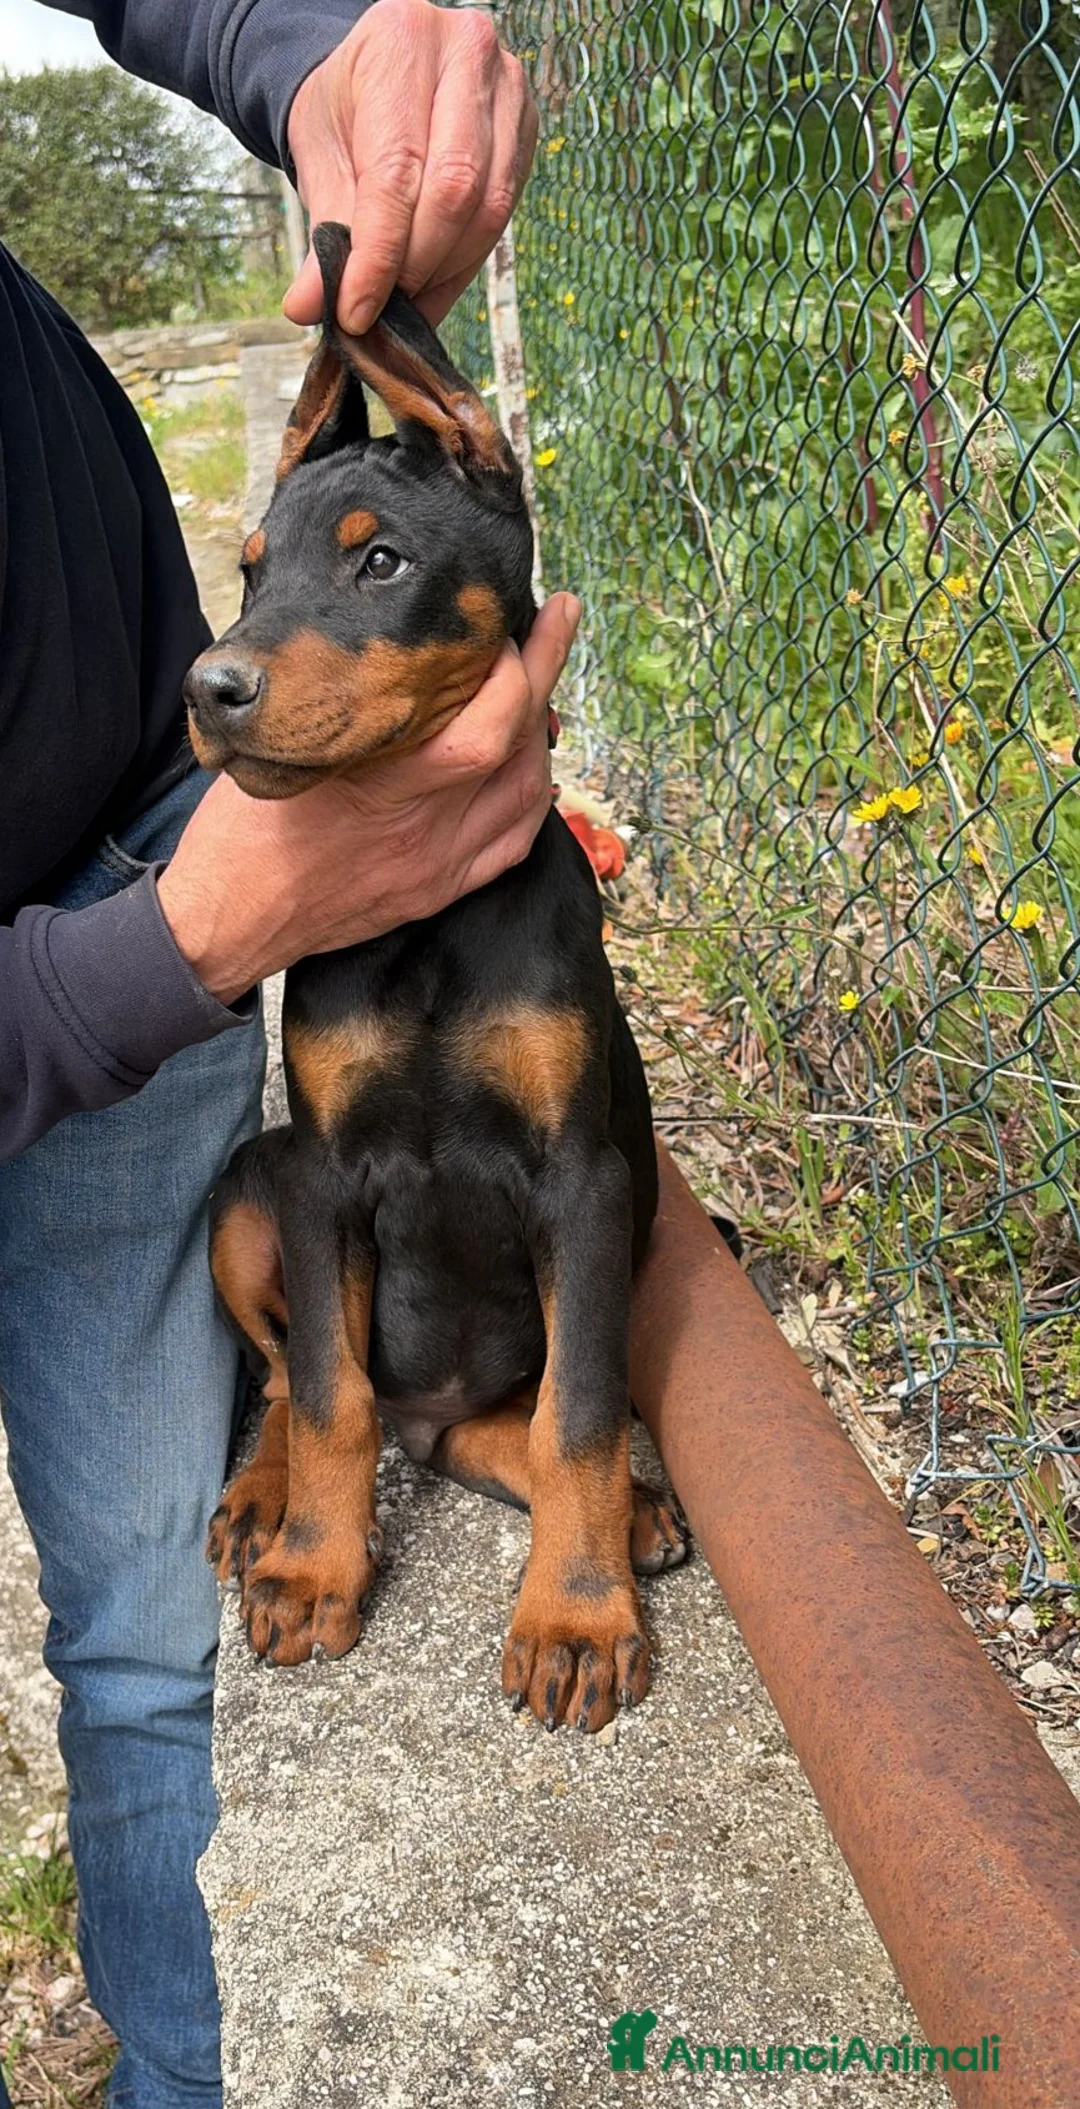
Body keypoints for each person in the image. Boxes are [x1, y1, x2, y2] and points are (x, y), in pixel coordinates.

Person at [0, 3, 579, 2102]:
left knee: (148, 1633)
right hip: (151, 927)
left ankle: (177, 2074)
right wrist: (180, 954)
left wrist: (309, 40)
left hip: (129, 854)